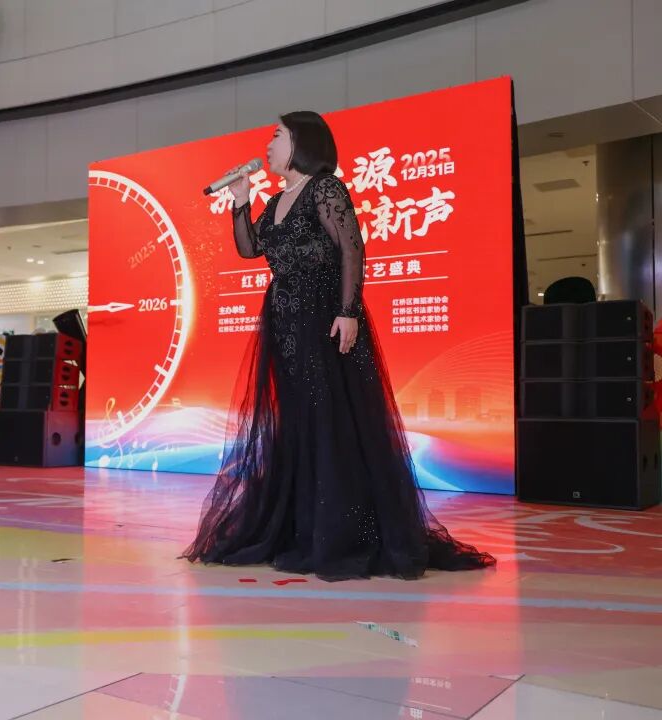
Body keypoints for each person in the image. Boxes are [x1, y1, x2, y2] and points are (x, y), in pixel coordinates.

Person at [184, 112, 494, 581]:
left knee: (329, 419)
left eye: (277, 136)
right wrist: (241, 202)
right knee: (297, 419)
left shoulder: (324, 188)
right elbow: (250, 250)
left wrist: (348, 310)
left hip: (323, 316)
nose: (268, 145)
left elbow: (352, 249)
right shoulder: (278, 199)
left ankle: (340, 532)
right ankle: (301, 526)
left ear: (301, 143)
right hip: (284, 321)